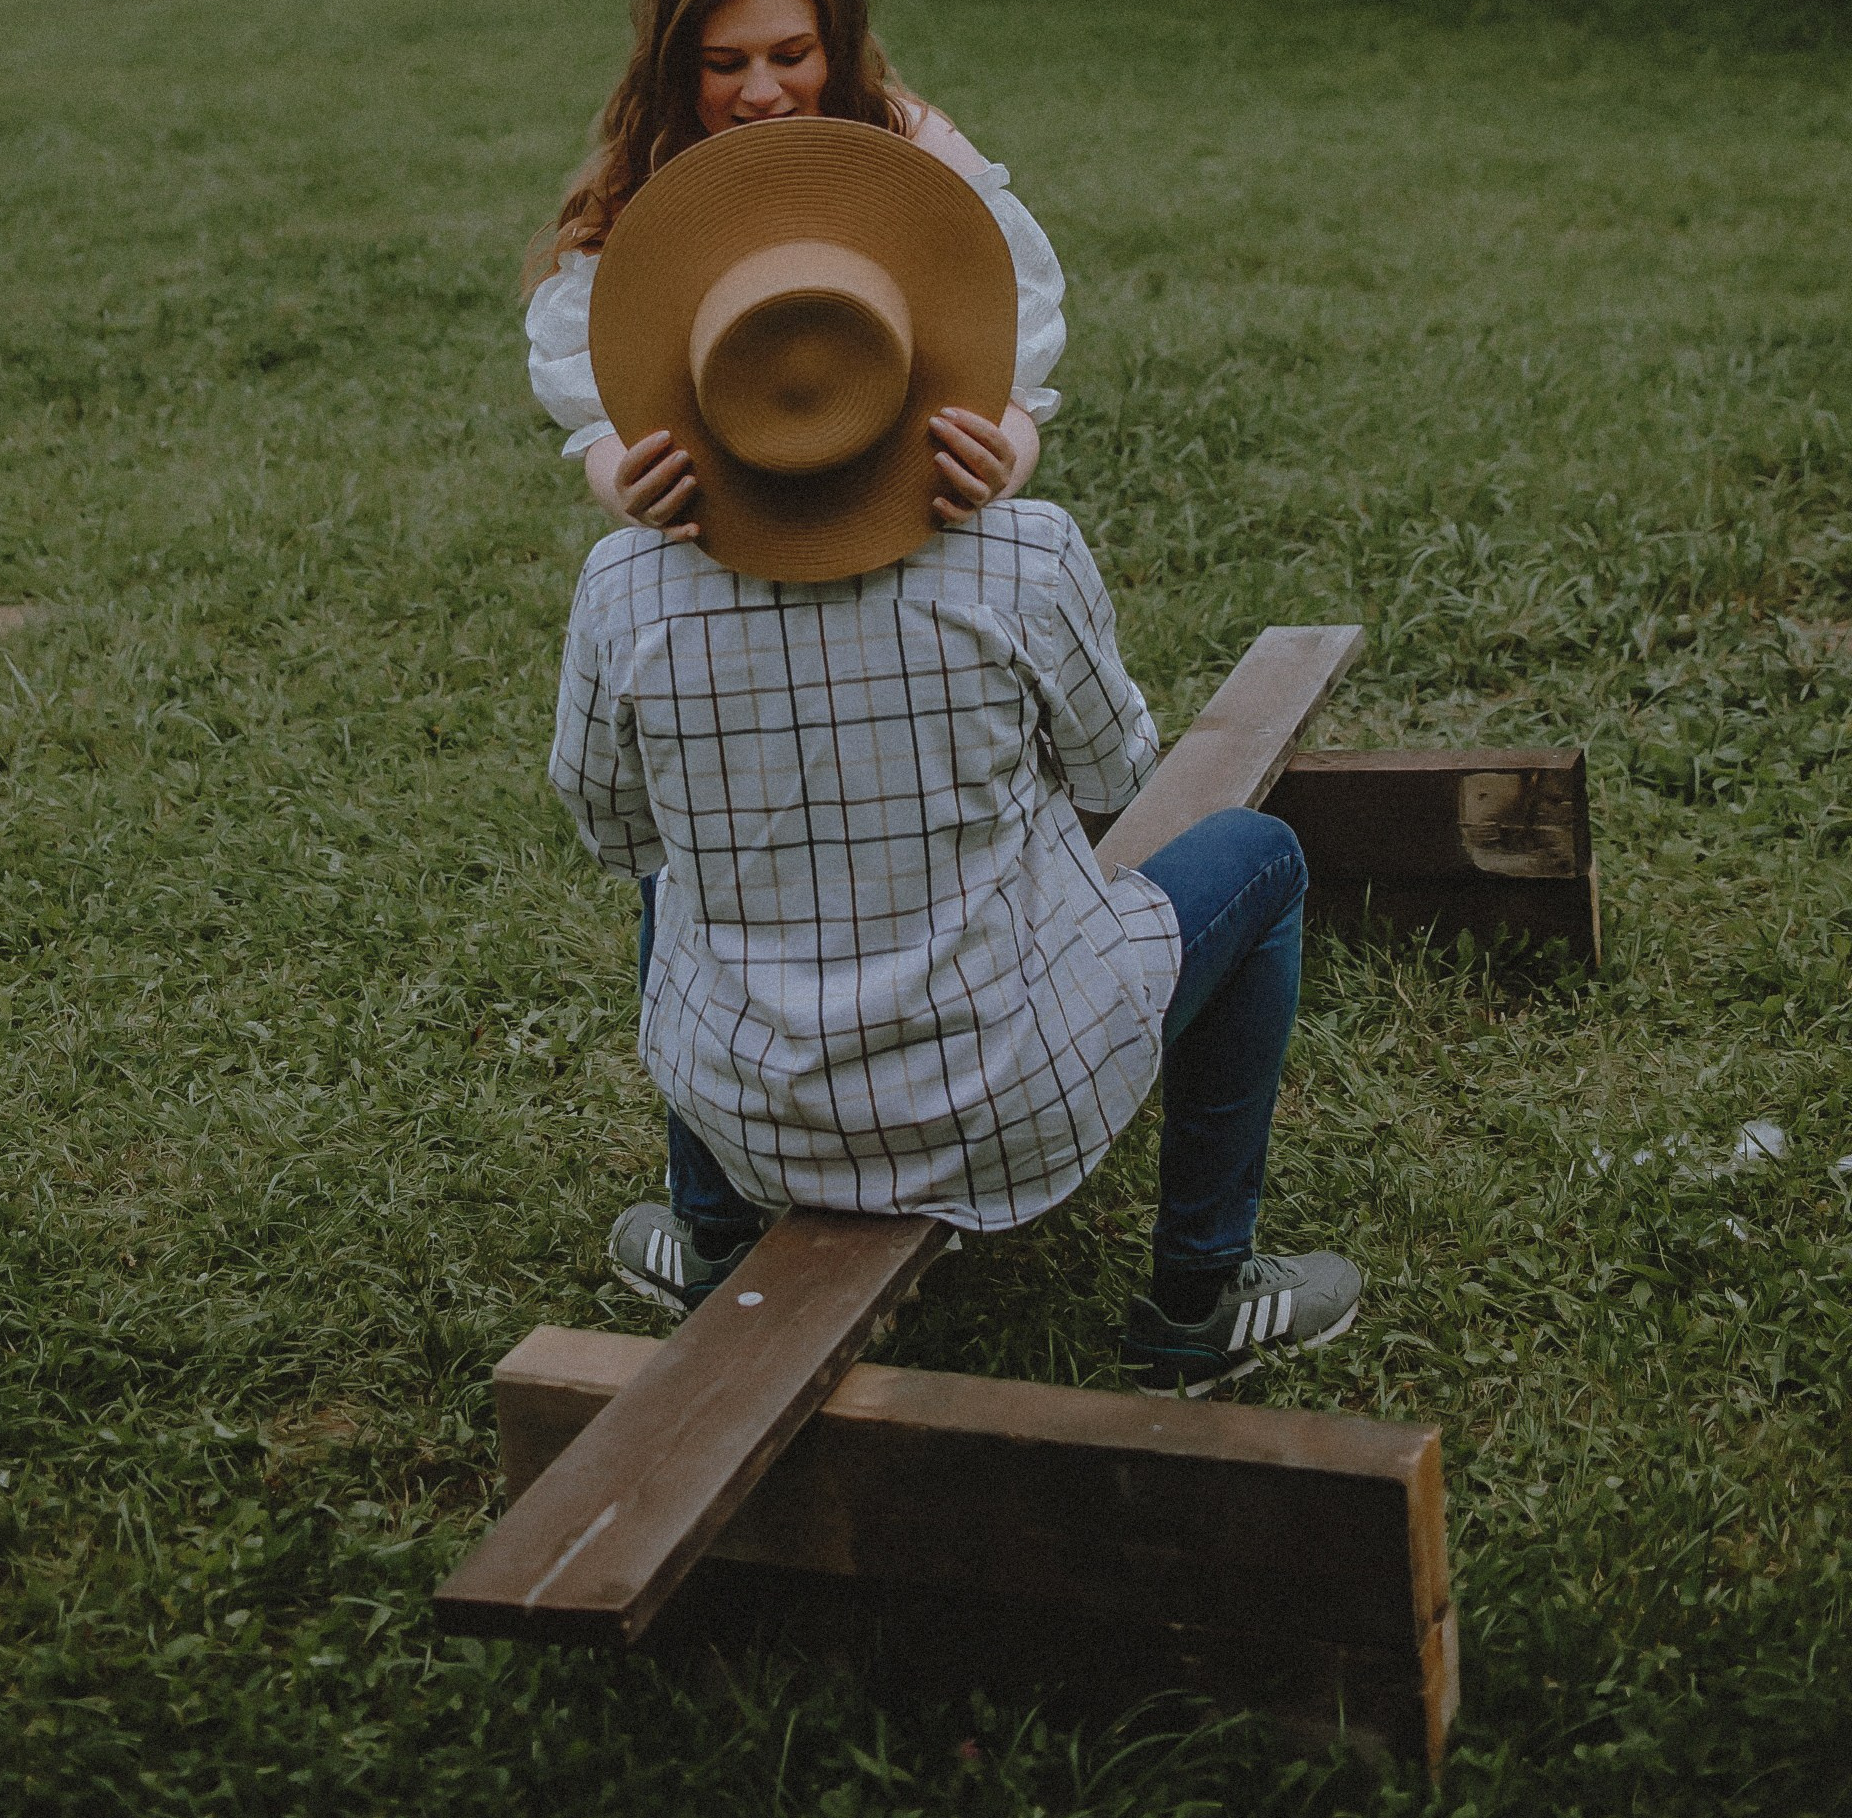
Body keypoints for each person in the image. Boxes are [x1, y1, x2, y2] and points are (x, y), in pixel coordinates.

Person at [545, 107, 1361, 1396]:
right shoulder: (1023, 554)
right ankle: (1201, 1298)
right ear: (924, 347)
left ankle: (708, 1235)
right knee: (1258, 854)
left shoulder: (623, 587)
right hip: (1013, 1092)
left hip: (756, 1116)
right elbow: (1116, 779)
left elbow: (612, 831)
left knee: (675, 863)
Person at [523, 0, 1069, 545]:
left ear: (833, 49)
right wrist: (629, 492)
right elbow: (605, 428)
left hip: (919, 512)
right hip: (723, 528)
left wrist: (998, 470)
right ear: (676, 66)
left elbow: (1013, 386)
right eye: (724, 64)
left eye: (790, 56)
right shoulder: (645, 184)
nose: (761, 93)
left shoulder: (916, 149)